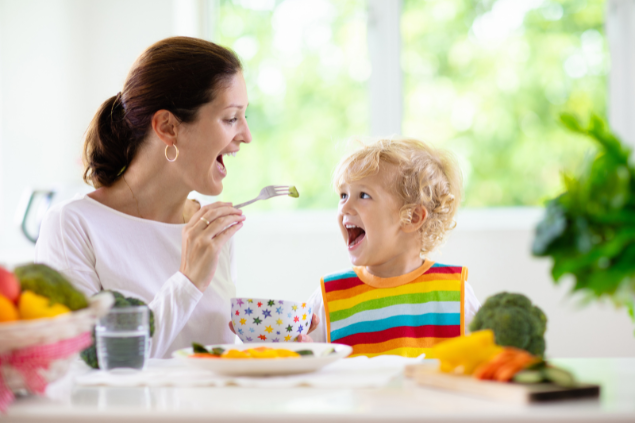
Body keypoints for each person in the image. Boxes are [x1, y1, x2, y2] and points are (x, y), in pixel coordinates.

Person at [35, 37, 251, 358]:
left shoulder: (210, 230)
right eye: (231, 118)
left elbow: (217, 358)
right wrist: (187, 282)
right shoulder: (73, 226)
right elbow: (87, 361)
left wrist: (291, 338)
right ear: (168, 127)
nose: (245, 135)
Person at [300, 137, 481, 357]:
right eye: (343, 195)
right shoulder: (329, 296)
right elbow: (305, 361)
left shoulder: (455, 294)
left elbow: (486, 363)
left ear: (412, 217)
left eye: (363, 195)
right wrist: (302, 348)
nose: (345, 207)